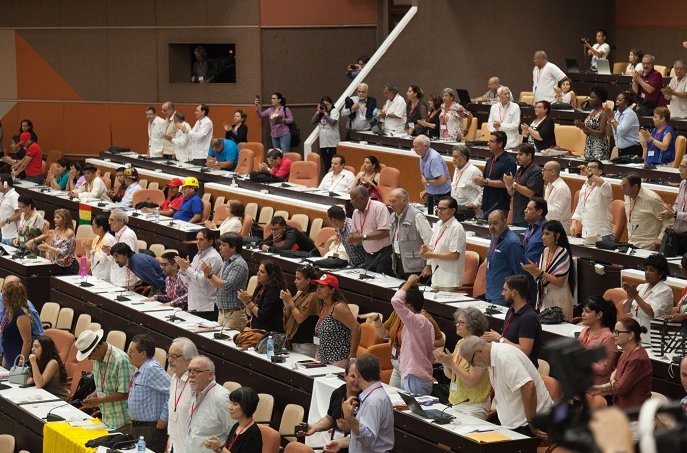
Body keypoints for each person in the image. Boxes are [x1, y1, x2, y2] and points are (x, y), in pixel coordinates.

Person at [459, 336, 553, 434]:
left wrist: (532, 423)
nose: (473, 366)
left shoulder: (505, 357)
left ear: (479, 351)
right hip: (514, 424)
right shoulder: (491, 359)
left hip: (529, 424)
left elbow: (529, 386)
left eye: (471, 361)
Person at [327, 354, 394, 453]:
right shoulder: (374, 395)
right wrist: (341, 443)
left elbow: (368, 439)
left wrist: (350, 418)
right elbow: (362, 435)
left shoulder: (373, 401)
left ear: (358, 373)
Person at [434, 307, 491, 419]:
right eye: (457, 322)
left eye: (461, 322)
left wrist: (452, 364)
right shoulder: (460, 343)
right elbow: (451, 376)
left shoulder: (480, 347)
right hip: (456, 402)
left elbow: (472, 380)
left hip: (473, 406)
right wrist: (445, 363)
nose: (457, 325)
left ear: (473, 325)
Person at [76, 328, 133, 430]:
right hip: (106, 418)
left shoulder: (120, 360)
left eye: (89, 355)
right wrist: (94, 394)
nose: (89, 359)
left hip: (122, 421)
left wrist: (99, 401)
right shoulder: (97, 359)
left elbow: (125, 393)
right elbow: (104, 384)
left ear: (98, 347)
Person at [589, 318, 652, 410]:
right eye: (614, 331)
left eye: (618, 332)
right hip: (621, 407)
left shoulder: (638, 359)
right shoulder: (626, 352)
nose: (614, 335)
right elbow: (618, 379)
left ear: (631, 335)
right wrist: (600, 388)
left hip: (634, 412)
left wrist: (611, 379)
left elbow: (620, 389)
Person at [483, 274, 543, 366]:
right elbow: (508, 339)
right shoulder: (511, 310)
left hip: (524, 371)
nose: (502, 293)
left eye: (505, 290)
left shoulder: (528, 318)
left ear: (514, 293)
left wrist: (499, 339)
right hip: (508, 363)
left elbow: (524, 351)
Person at [390, 275, 435, 396]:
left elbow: (395, 301)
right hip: (419, 375)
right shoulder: (427, 323)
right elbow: (430, 353)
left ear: (409, 307)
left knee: (412, 413)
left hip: (414, 377)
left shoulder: (414, 321)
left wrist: (409, 283)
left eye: (405, 305)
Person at [522, 220, 576, 321]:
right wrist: (533, 271)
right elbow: (541, 279)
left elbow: (559, 282)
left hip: (559, 300)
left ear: (557, 235)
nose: (543, 237)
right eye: (543, 234)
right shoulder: (545, 252)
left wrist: (539, 272)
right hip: (545, 299)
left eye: (547, 234)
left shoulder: (563, 253)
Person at [126, 334, 170, 453]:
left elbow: (172, 391)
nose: (128, 354)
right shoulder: (139, 368)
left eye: (132, 351)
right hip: (137, 428)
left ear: (143, 353)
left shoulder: (152, 369)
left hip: (151, 430)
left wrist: (164, 417)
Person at [301, 359, 360, 447]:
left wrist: (351, 427)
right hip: (333, 446)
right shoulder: (338, 393)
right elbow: (330, 418)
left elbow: (369, 435)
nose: (356, 381)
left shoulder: (367, 400)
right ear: (345, 376)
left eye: (360, 377)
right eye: (353, 376)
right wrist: (314, 427)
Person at [185, 356, 233, 452]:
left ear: (210, 375)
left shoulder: (222, 398)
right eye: (189, 371)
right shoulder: (194, 392)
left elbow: (233, 433)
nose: (191, 375)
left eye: (197, 371)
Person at [202, 232, 249, 330]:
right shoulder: (226, 262)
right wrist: (207, 275)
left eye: (223, 245)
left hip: (234, 314)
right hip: (222, 313)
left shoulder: (239, 264)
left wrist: (210, 274)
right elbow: (217, 284)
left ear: (233, 248)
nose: (219, 247)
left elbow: (227, 285)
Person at [622, 253, 674, 338]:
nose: (647, 273)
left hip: (654, 335)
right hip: (634, 332)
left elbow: (651, 312)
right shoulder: (641, 286)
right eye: (645, 269)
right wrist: (630, 299)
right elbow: (625, 310)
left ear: (661, 273)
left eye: (651, 270)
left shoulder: (665, 291)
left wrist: (636, 296)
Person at [420, 196, 466, 292]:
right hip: (436, 277)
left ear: (453, 210)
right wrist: (426, 250)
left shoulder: (456, 228)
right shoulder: (438, 224)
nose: (439, 211)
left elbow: (454, 255)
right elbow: (432, 246)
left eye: (443, 209)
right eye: (438, 208)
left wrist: (431, 254)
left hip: (449, 280)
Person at [313, 274, 360, 366]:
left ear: (332, 290)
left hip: (338, 360)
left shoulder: (339, 307)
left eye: (322, 287)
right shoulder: (325, 306)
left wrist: (352, 354)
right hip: (324, 359)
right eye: (317, 287)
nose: (318, 289)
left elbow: (357, 328)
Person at [176, 229, 222, 321]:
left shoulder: (214, 257)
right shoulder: (197, 256)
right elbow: (187, 281)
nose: (198, 242)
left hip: (206, 307)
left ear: (210, 241)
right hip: (193, 304)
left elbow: (202, 282)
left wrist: (187, 268)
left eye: (201, 239)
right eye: (197, 239)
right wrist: (183, 269)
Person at [578, 296, 617, 401]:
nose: (582, 314)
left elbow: (603, 369)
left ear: (599, 314)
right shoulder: (584, 331)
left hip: (598, 393)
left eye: (587, 311)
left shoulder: (608, 337)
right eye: (582, 311)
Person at [388, 188, 432, 278]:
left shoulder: (417, 216)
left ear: (405, 200)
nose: (391, 205)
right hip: (399, 263)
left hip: (416, 267)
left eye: (394, 201)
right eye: (390, 201)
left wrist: (429, 265)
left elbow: (430, 242)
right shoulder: (393, 216)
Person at [622, 173, 673, 250]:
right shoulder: (627, 195)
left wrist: (660, 238)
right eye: (621, 185)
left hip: (648, 246)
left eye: (625, 186)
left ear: (635, 187)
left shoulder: (652, 199)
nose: (622, 189)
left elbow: (669, 219)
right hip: (631, 243)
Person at [349, 185, 392, 275]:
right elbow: (355, 233)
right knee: (369, 283)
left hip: (383, 254)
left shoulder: (379, 208)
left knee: (381, 284)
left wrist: (362, 237)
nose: (351, 202)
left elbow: (384, 232)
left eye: (352, 199)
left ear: (360, 198)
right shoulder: (355, 212)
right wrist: (353, 238)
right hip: (368, 254)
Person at [474, 131, 518, 219]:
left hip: (500, 206)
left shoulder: (509, 161)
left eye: (491, 141)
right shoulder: (490, 161)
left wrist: (485, 182)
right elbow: (485, 179)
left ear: (500, 144)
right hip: (487, 204)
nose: (488, 143)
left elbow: (505, 183)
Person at [204, 387, 262, 453]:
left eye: (235, 404)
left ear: (246, 406)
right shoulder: (236, 426)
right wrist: (215, 447)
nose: (230, 407)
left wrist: (220, 447)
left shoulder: (254, 434)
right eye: (231, 403)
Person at [485, 210, 525, 305]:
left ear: (505, 221)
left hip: (504, 297)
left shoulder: (512, 243)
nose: (491, 227)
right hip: (490, 294)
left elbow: (519, 274)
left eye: (495, 223)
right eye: (489, 224)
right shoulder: (494, 237)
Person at [165, 337, 198, 453]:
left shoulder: (198, 385)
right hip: (175, 446)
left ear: (189, 360)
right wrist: (169, 445)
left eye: (174, 356)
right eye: (168, 356)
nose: (169, 360)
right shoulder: (174, 378)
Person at [281, 264, 321, 356]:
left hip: (305, 345)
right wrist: (286, 302)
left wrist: (290, 302)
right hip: (294, 342)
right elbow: (288, 313)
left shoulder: (313, 296)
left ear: (308, 280)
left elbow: (300, 318)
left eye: (298, 279)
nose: (295, 281)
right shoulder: (301, 293)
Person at [238, 259, 286, 332]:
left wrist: (248, 302)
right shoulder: (260, 287)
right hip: (256, 329)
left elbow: (262, 316)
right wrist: (247, 300)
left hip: (268, 334)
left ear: (271, 275)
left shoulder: (274, 291)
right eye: (258, 270)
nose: (258, 274)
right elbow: (251, 313)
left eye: (262, 272)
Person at [570, 160, 614, 240]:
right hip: (586, 233)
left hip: (603, 235)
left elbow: (602, 183)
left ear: (600, 171)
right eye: (588, 167)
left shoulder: (606, 184)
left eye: (593, 167)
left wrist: (587, 173)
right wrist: (573, 224)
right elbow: (579, 208)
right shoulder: (584, 186)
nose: (589, 169)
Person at [504, 143, 543, 227]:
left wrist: (513, 183)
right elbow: (512, 193)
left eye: (520, 154)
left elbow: (530, 192)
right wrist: (509, 186)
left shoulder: (536, 171)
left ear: (529, 155)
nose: (517, 157)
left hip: (530, 215)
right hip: (517, 213)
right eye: (517, 154)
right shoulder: (520, 170)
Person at [414, 135, 452, 213]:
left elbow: (442, 180)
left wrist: (427, 183)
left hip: (441, 196)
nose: (414, 149)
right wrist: (427, 190)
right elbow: (427, 176)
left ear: (425, 146)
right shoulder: (423, 156)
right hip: (432, 194)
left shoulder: (434, 159)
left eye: (416, 147)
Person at [0, 280, 32, 368]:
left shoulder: (21, 315)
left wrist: (20, 365)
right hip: (8, 357)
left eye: (5, 295)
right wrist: (4, 361)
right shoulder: (9, 312)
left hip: (17, 359)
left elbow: (27, 341)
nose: (2, 298)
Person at [575, 85, 612, 160]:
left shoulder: (604, 112)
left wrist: (585, 127)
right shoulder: (592, 111)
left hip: (599, 148)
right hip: (589, 146)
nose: (590, 99)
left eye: (593, 98)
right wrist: (581, 127)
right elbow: (588, 132)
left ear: (600, 99)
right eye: (590, 97)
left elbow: (601, 133)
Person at [521, 198, 547, 303]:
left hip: (540, 278)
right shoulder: (529, 227)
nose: (525, 210)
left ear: (539, 211)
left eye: (529, 208)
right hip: (527, 276)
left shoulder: (546, 229)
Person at [105, 209, 139, 288]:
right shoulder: (118, 234)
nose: (109, 222)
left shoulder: (128, 235)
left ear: (121, 221)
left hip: (125, 280)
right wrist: (108, 252)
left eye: (112, 220)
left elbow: (127, 257)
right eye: (109, 219)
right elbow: (115, 258)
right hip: (117, 278)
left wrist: (110, 251)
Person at [37, 209, 78, 275]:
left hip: (67, 267)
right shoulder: (56, 229)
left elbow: (64, 252)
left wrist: (48, 247)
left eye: (58, 217)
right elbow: (52, 245)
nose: (54, 219)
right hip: (56, 264)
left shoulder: (69, 233)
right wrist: (45, 247)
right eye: (54, 217)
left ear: (64, 220)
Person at [83, 214, 116, 282]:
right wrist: (87, 248)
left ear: (100, 228)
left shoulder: (109, 239)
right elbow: (89, 258)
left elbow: (102, 259)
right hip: (96, 273)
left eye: (93, 225)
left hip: (105, 276)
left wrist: (91, 249)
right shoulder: (97, 238)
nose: (91, 227)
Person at [450, 145, 482, 212]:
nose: (453, 159)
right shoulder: (457, 169)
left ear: (464, 158)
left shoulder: (474, 171)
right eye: (453, 156)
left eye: (456, 157)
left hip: (470, 212)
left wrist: (474, 204)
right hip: (457, 210)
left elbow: (483, 191)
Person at [312, 96, 340, 172]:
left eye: (327, 104)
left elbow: (332, 122)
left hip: (333, 144)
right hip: (323, 143)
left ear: (331, 104)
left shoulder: (334, 111)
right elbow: (312, 122)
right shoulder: (320, 114)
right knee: (326, 165)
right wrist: (318, 112)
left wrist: (325, 113)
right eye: (324, 104)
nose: (326, 106)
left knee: (334, 164)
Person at [611, 91, 642, 157]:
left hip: (632, 150)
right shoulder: (617, 114)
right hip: (621, 150)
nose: (616, 101)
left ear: (626, 103)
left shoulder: (629, 114)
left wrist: (612, 119)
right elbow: (611, 133)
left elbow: (621, 131)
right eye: (616, 99)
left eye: (619, 100)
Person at [542, 161, 571, 233]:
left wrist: (539, 210)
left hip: (559, 229)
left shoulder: (561, 188)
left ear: (553, 172)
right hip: (549, 226)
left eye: (544, 170)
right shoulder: (549, 185)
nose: (542, 172)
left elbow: (557, 213)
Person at [666, 157, 687, 255]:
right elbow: (677, 204)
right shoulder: (683, 183)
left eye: (683, 167)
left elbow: (676, 213)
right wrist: (670, 211)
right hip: (677, 232)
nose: (679, 169)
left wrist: (675, 214)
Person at [0, 175, 20, 246]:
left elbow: (20, 214)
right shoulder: (3, 195)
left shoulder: (14, 196)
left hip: (13, 237)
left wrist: (6, 221)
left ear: (5, 184)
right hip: (4, 234)